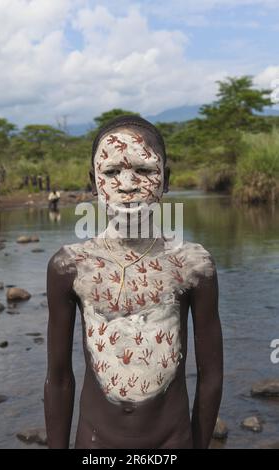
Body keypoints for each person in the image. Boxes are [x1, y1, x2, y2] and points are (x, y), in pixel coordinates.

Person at [44, 115, 223, 449]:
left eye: (144, 170)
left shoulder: (193, 265)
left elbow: (211, 375)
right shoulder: (70, 266)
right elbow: (58, 378)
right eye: (111, 172)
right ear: (93, 182)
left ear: (165, 179)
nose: (127, 184)